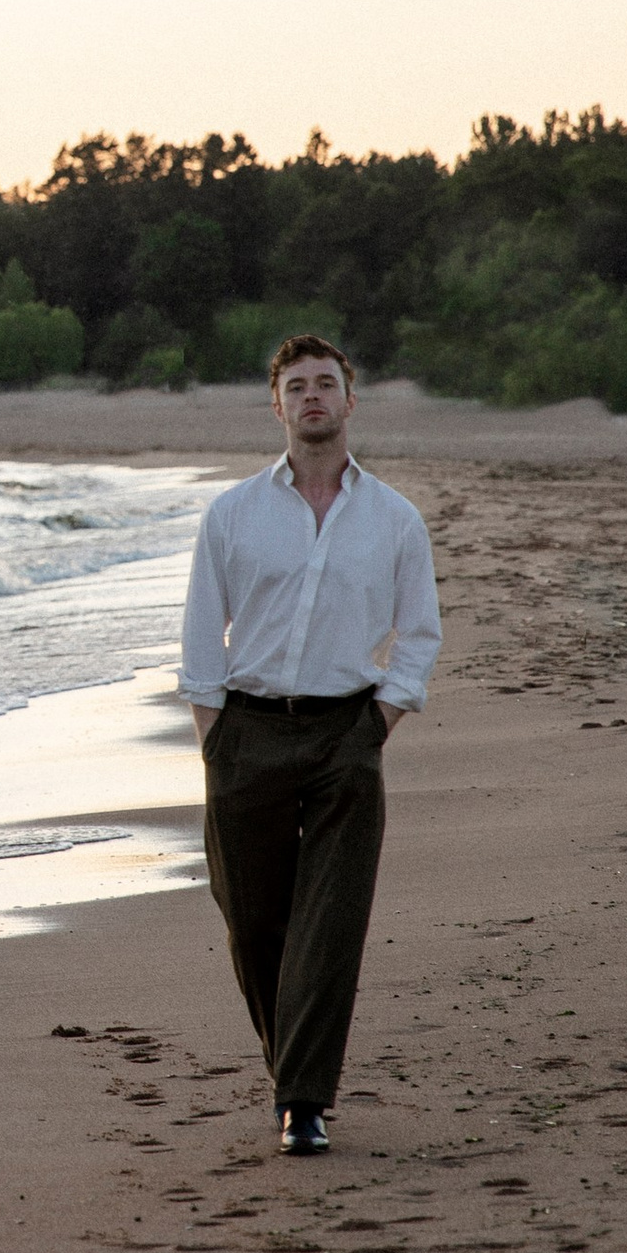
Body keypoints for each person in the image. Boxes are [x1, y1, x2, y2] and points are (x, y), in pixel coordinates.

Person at [180, 334, 441, 1156]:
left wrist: (377, 728)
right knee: (253, 922)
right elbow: (198, 637)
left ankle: (303, 1102)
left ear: (350, 401)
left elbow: (421, 635)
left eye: (326, 383)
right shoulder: (233, 514)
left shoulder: (394, 518)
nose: (313, 397)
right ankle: (293, 1070)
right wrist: (214, 741)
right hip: (247, 732)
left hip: (345, 735)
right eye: (297, 386)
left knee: (330, 923)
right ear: (278, 405)